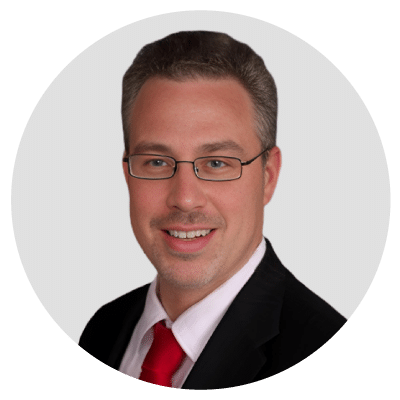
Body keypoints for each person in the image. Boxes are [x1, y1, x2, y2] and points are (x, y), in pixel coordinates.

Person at [79, 31, 346, 389]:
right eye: (157, 161)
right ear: (127, 172)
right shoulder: (103, 330)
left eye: (217, 163)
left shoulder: (326, 353)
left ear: (268, 176)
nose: (185, 198)